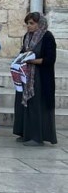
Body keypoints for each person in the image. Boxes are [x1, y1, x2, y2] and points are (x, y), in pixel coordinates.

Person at [13, 12, 57, 146]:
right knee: (25, 104)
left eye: (32, 23)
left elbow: (50, 59)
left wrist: (32, 61)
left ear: (40, 24)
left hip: (40, 78)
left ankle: (38, 136)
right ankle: (25, 133)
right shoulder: (27, 36)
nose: (28, 26)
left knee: (37, 104)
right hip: (26, 76)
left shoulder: (47, 37)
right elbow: (23, 52)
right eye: (27, 23)